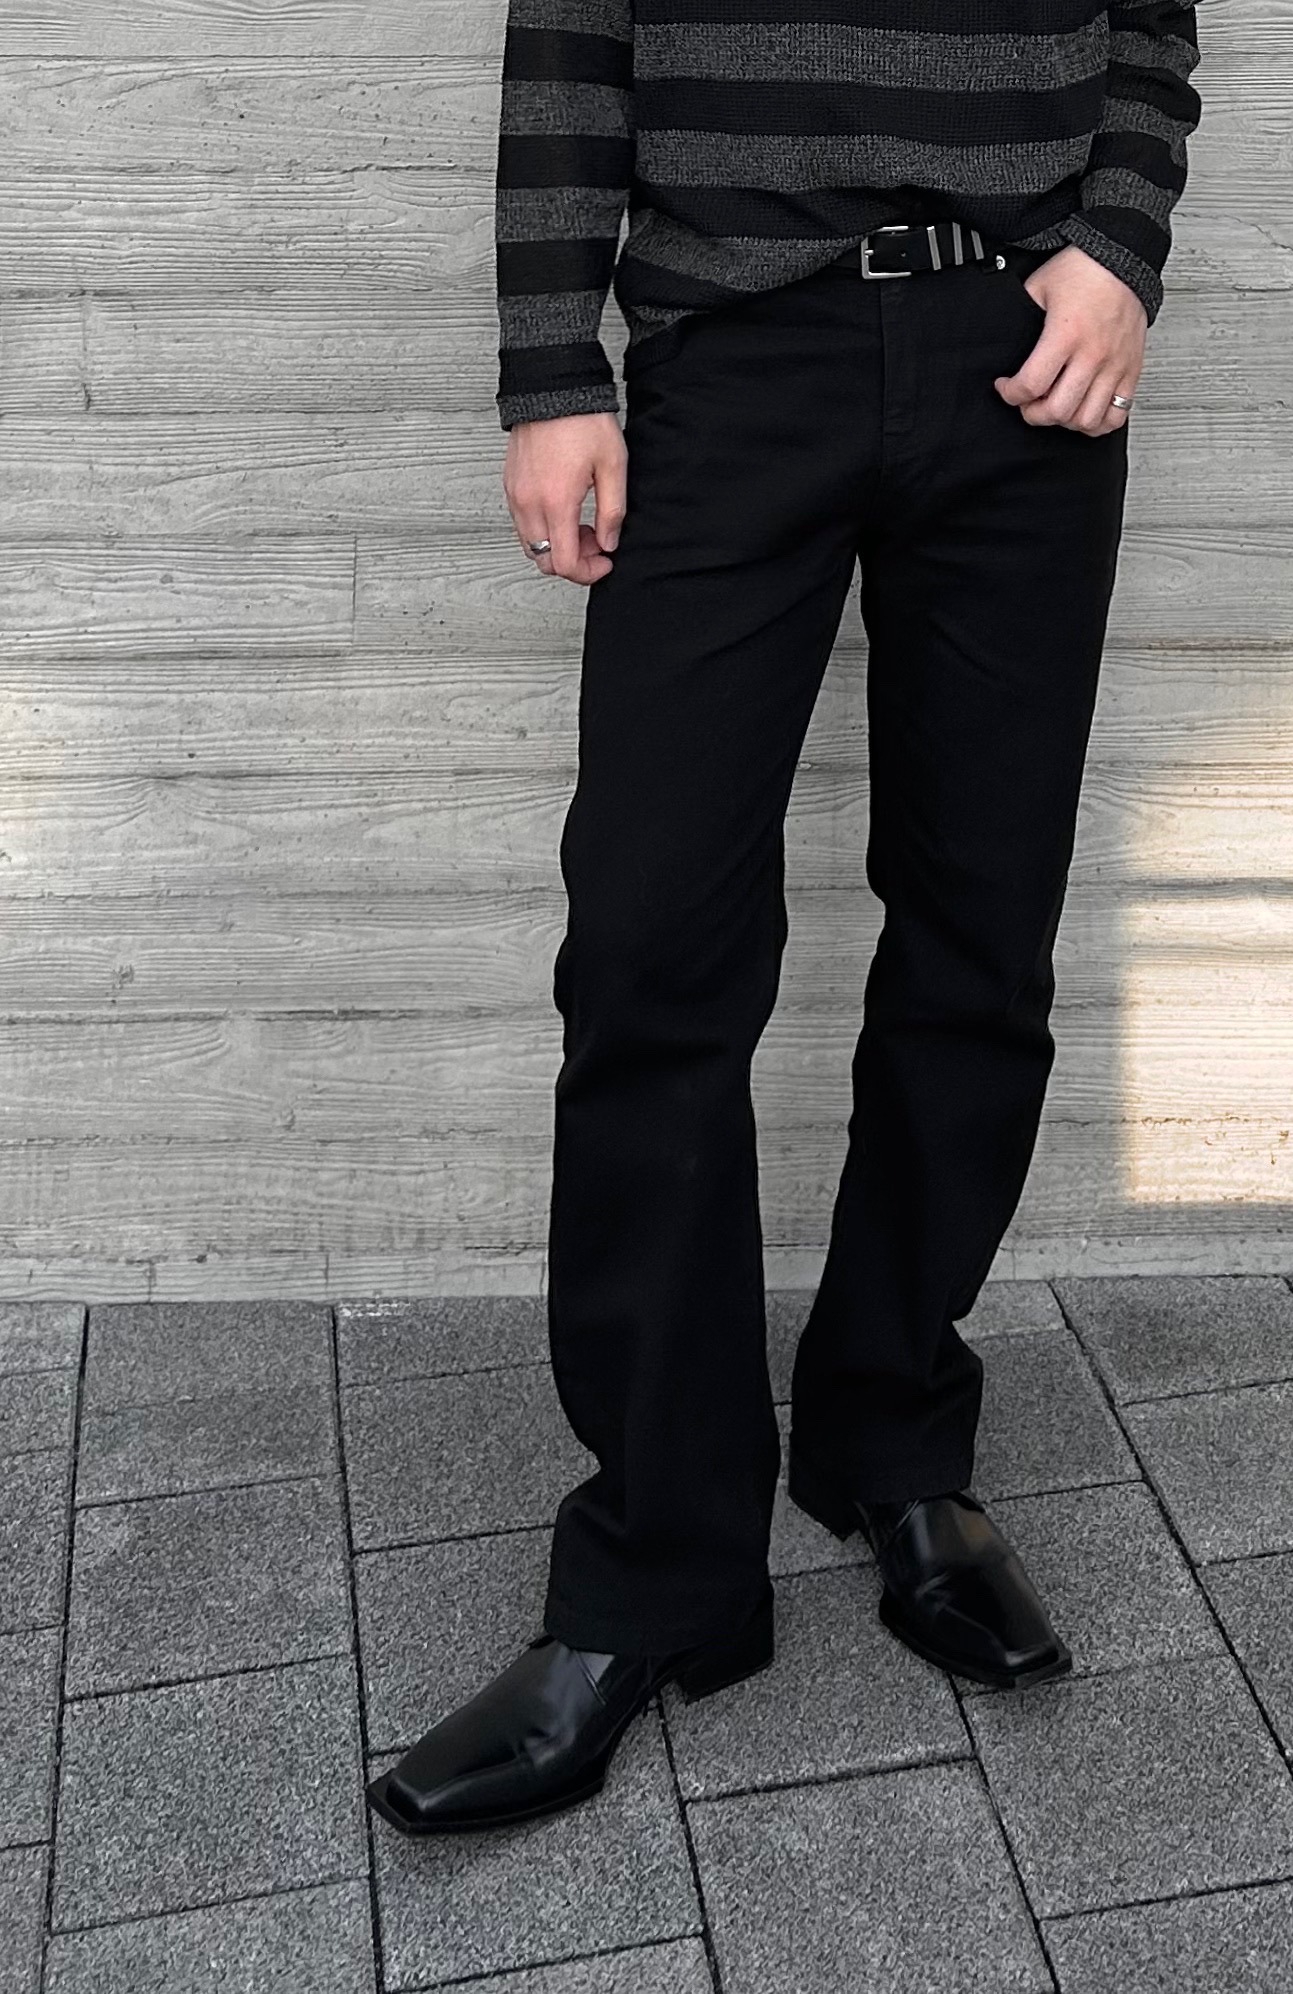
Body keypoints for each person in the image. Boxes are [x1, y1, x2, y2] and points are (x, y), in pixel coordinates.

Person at [367, 0, 1203, 1836]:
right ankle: (658, 1564)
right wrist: (550, 368)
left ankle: (893, 1437)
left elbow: (1151, 23)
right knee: (649, 951)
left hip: (1023, 346)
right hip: (733, 356)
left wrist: (1120, 244)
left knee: (981, 930)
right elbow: (570, 34)